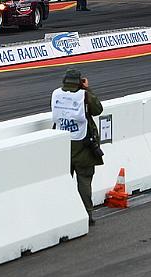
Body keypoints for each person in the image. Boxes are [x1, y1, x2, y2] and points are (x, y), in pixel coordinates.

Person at [51, 68, 103, 226]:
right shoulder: (84, 95)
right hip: (84, 146)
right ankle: (87, 215)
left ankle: (61, 215)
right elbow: (98, 110)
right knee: (84, 182)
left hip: (63, 145)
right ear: (79, 82)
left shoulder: (56, 94)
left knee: (62, 182)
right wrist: (87, 89)